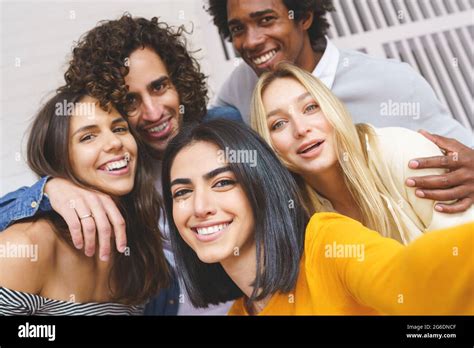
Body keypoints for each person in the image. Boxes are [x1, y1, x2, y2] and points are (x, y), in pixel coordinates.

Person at [0, 14, 233, 314]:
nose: (152, 112)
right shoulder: (38, 239)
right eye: (131, 102)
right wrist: (47, 189)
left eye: (160, 86)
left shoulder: (136, 251)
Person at [161, 119, 473, 315]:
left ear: (260, 187)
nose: (200, 207)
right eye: (182, 192)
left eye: (223, 183)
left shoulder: (327, 243)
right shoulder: (239, 313)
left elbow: (411, 280)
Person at [207, 0, 474, 214]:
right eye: (238, 29)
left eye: (266, 20)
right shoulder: (239, 88)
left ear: (304, 16)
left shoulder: (390, 82)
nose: (251, 41)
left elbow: (461, 153)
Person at [250, 63, 473, 244]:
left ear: (333, 108)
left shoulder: (403, 151)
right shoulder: (296, 216)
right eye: (278, 124)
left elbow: (462, 255)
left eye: (310, 108)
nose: (300, 129)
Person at [0, 90, 170, 315]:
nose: (114, 142)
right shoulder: (25, 246)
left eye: (119, 129)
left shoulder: (137, 247)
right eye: (88, 137)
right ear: (58, 158)